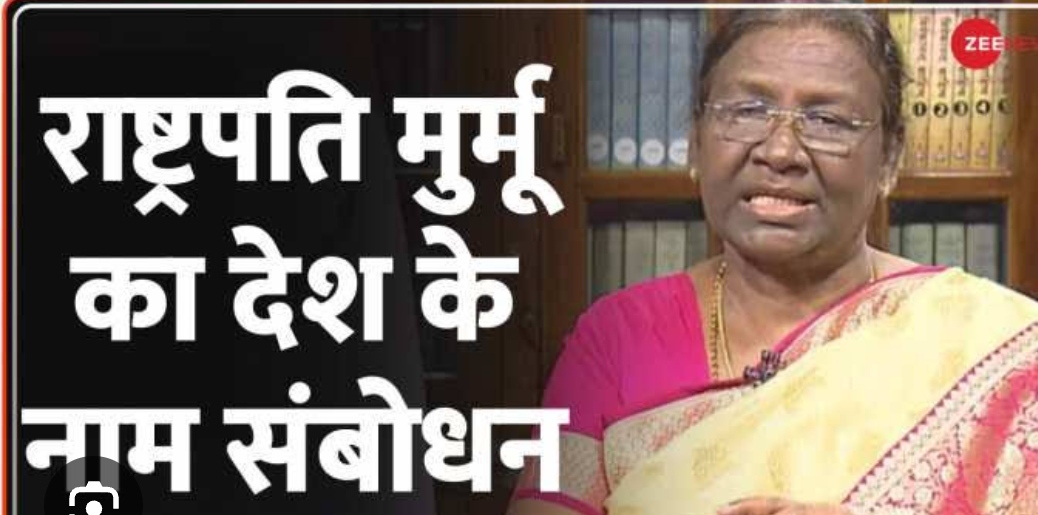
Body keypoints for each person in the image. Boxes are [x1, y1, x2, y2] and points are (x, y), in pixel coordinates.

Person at [507, 8, 1038, 515]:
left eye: (827, 119)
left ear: (890, 158)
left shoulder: (992, 344)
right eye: (746, 112)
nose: (780, 151)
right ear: (695, 143)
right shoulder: (615, 339)